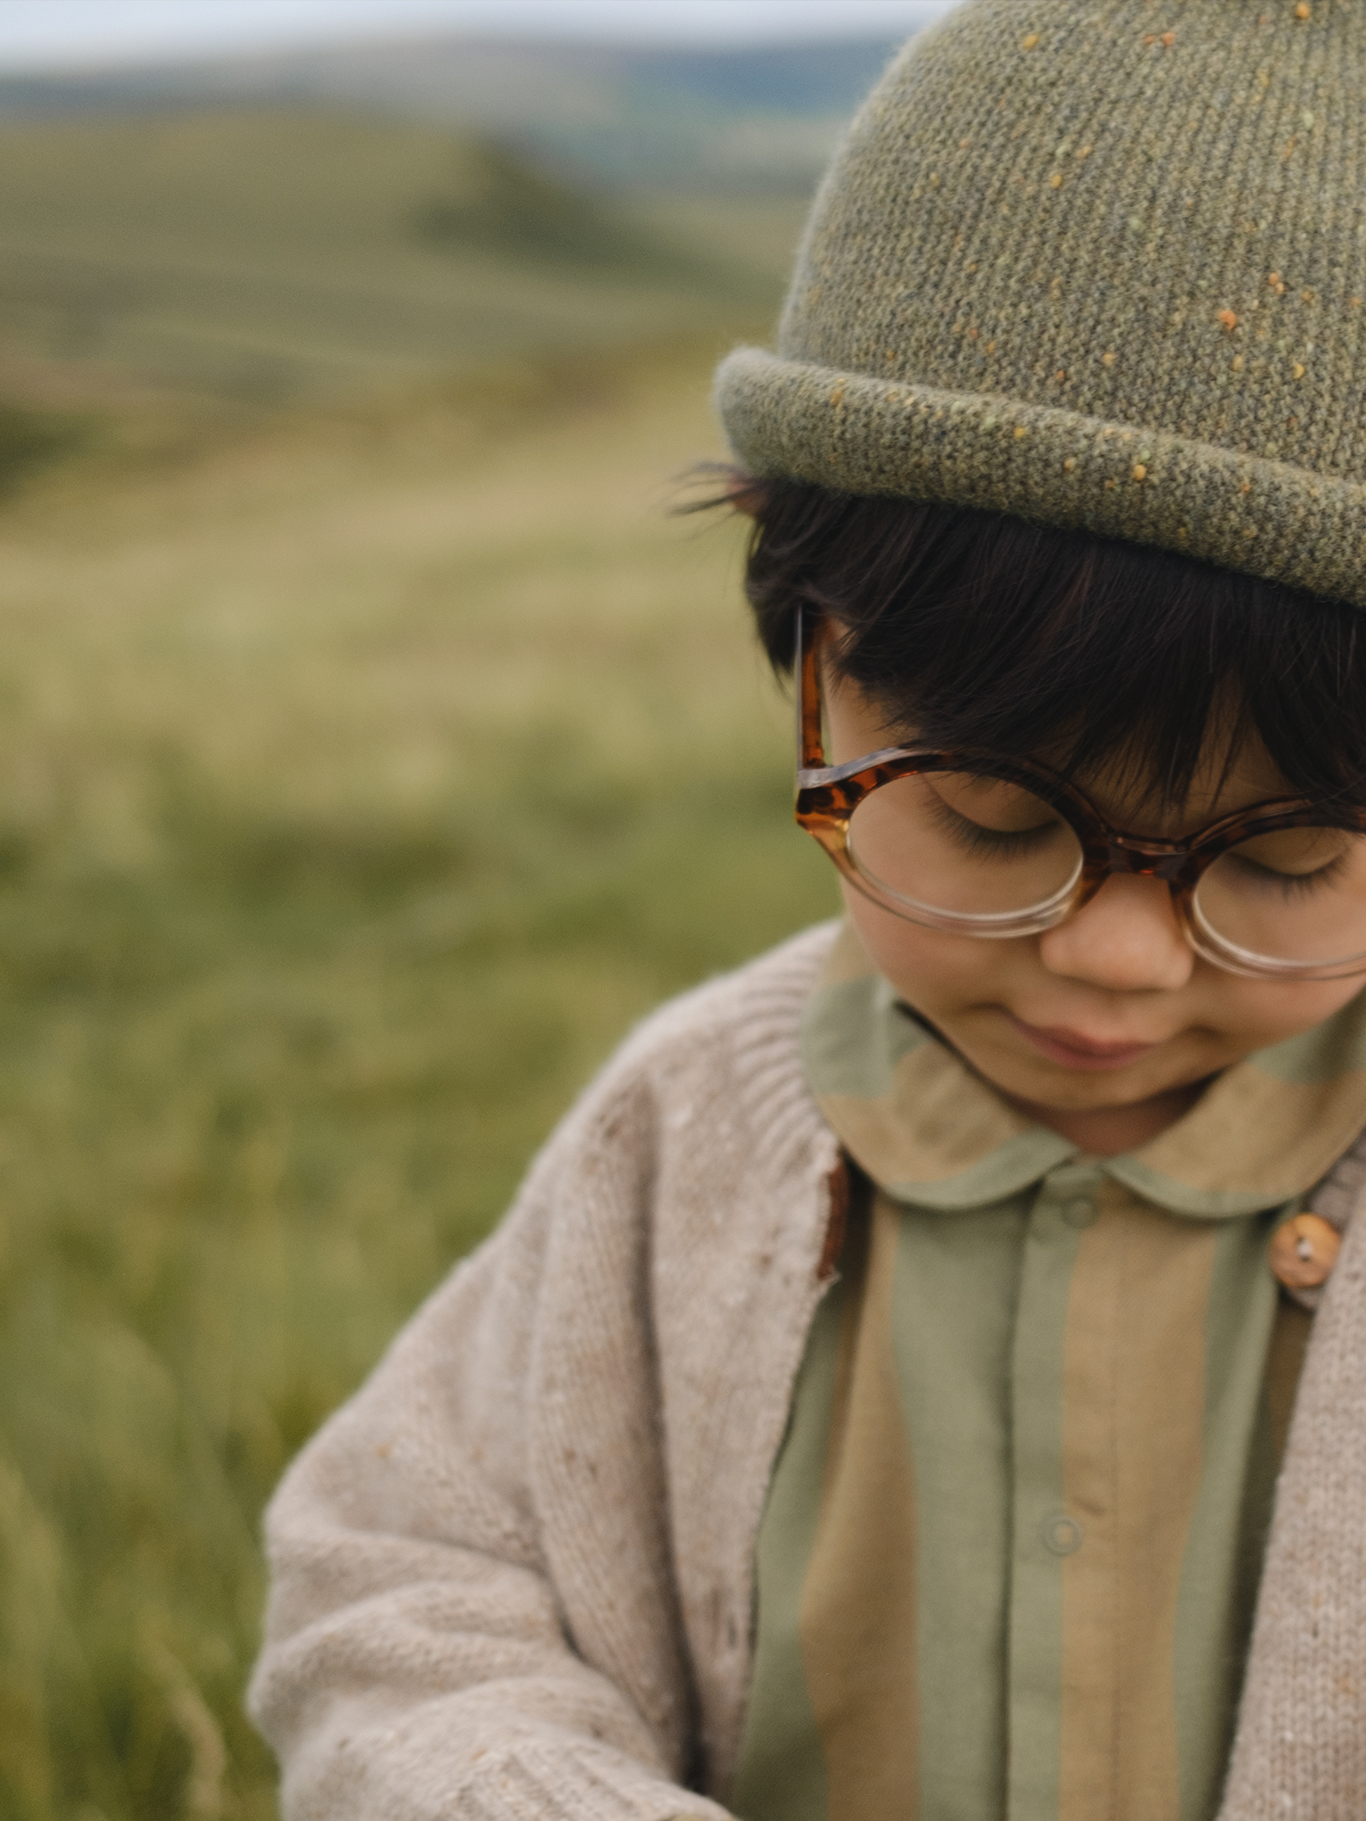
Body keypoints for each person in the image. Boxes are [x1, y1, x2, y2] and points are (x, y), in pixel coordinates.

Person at [247, 3, 1366, 1816]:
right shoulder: (694, 1128)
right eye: (995, 819)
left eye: (1284, 864)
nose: (1113, 954)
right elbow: (410, 1568)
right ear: (816, 679)